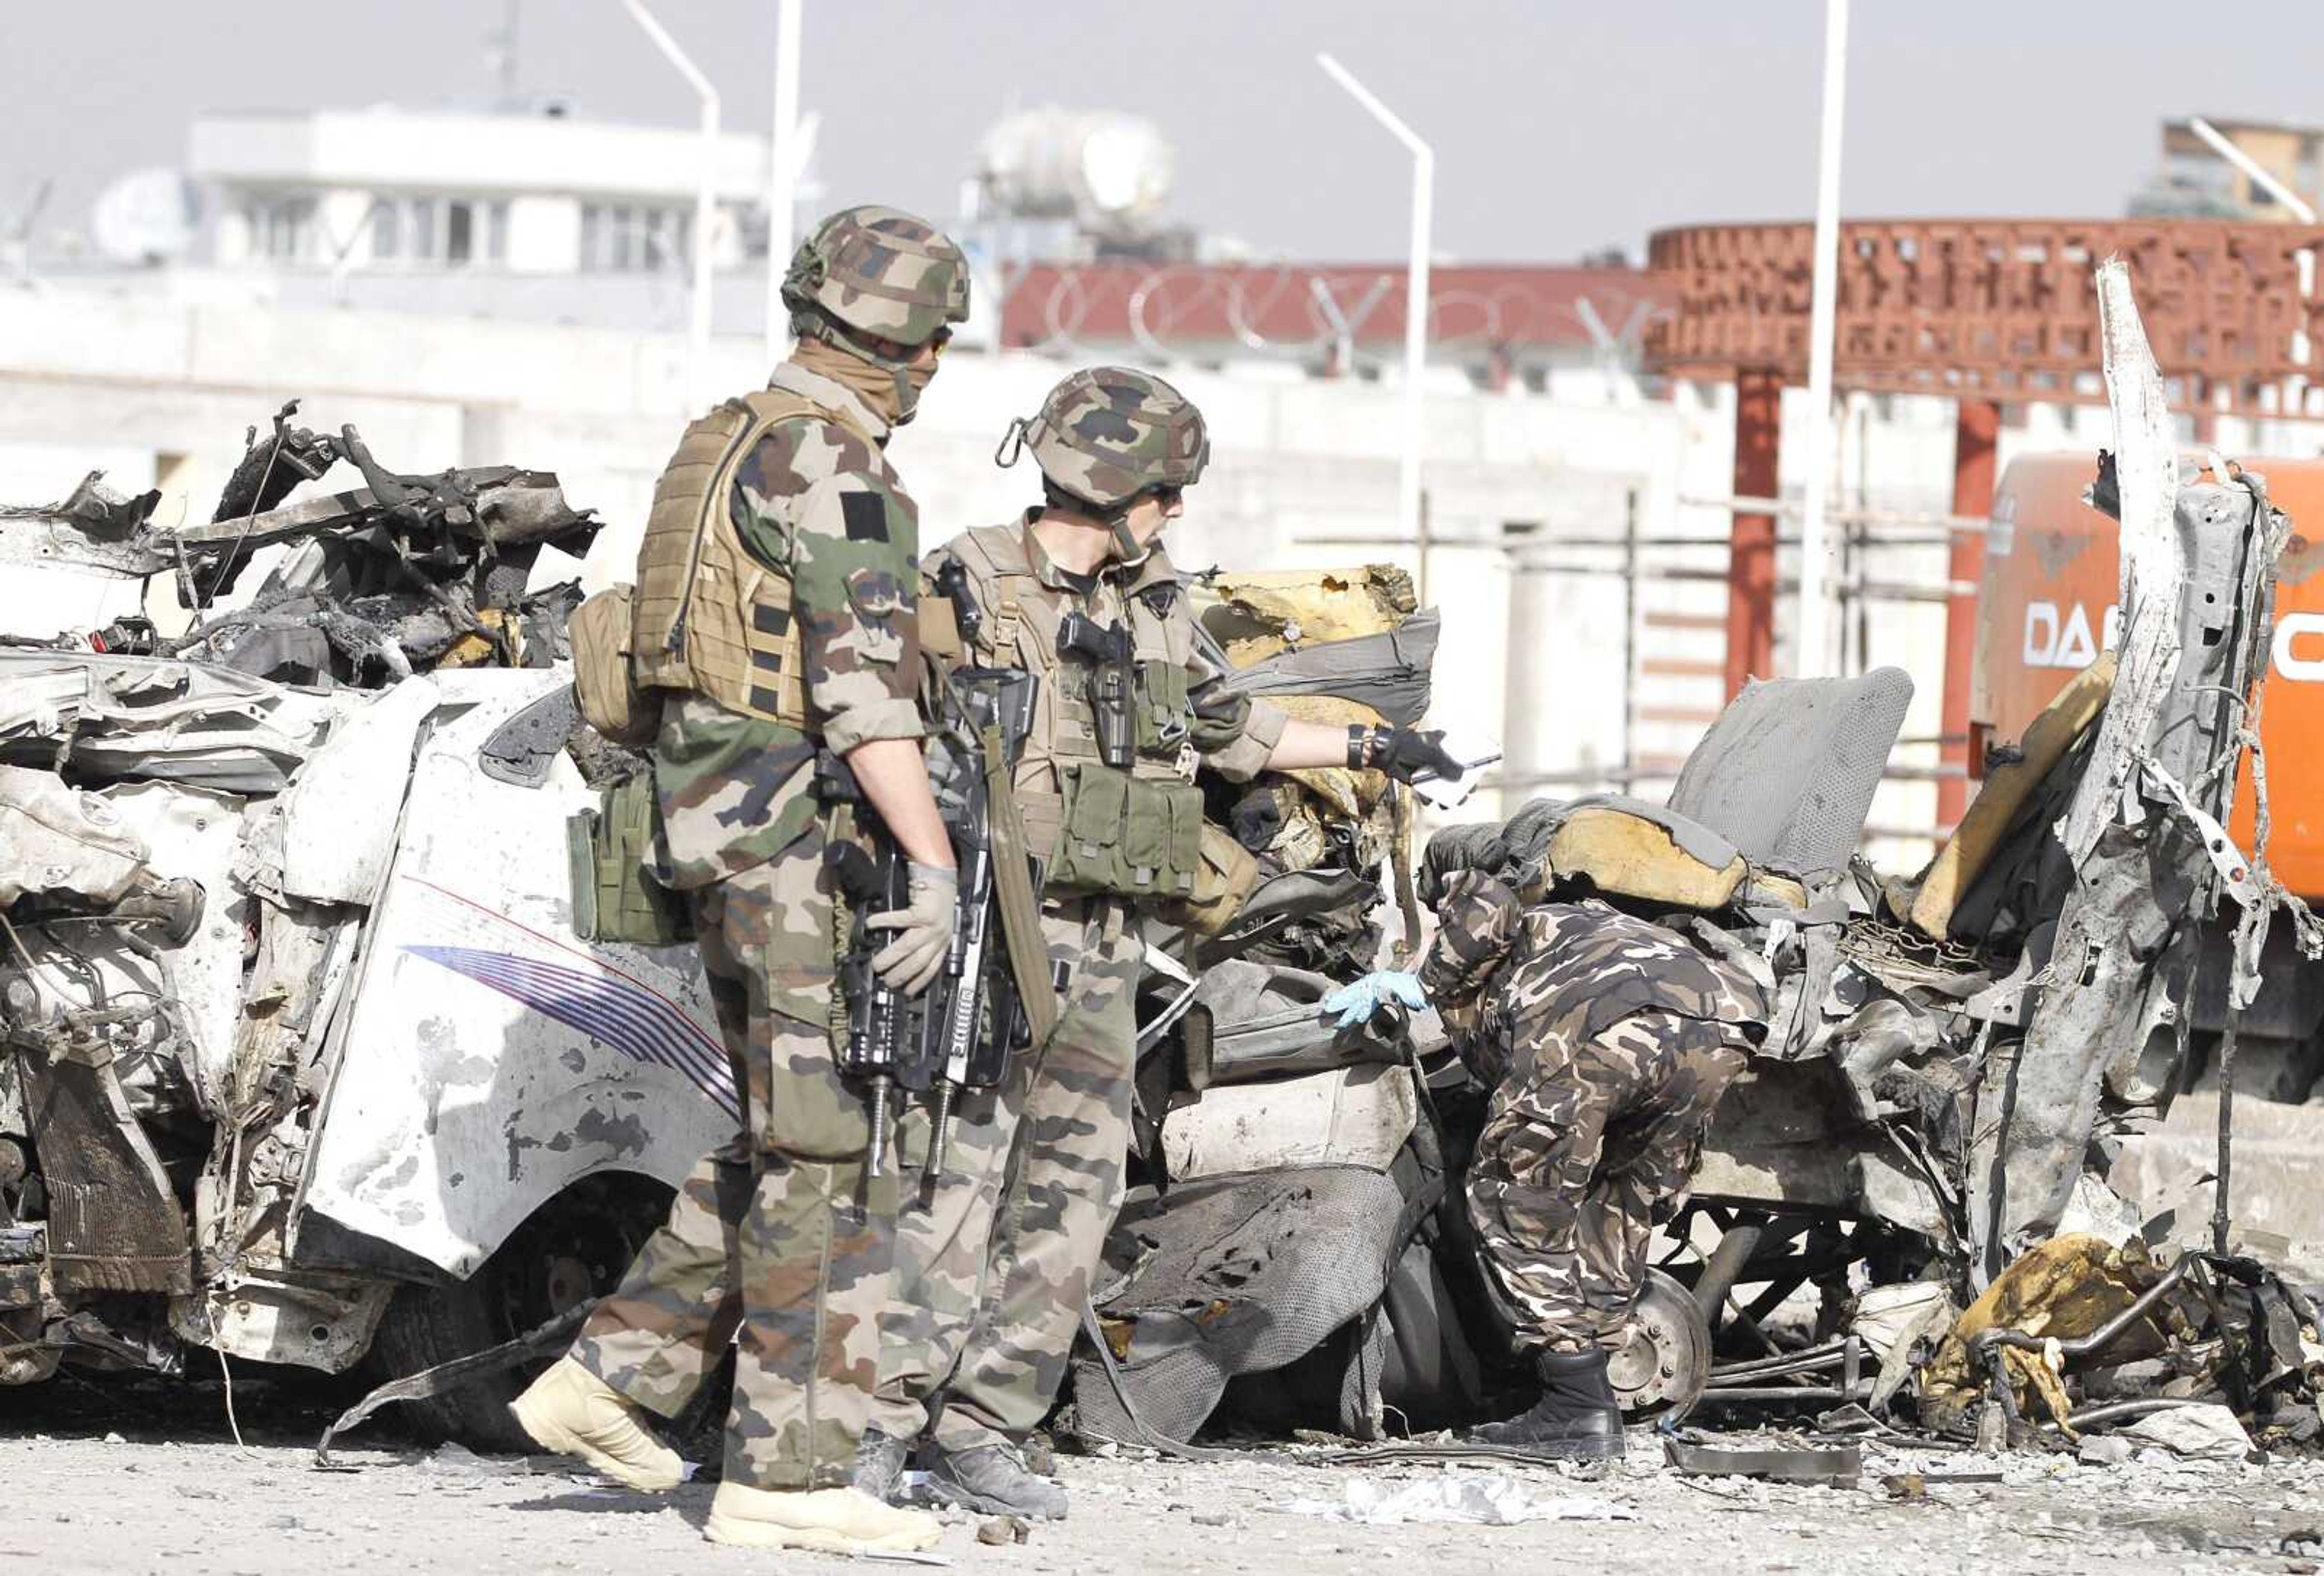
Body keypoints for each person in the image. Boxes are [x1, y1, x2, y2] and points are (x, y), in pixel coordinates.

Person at [859, 365, 1463, 1517]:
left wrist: (1386, 749)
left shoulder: (1155, 606)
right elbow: (866, 730)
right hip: (985, 937)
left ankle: (987, 1424)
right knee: (947, 1189)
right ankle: (878, 1429)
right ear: (1120, 486)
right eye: (1167, 490)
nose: (1177, 511)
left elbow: (1239, 729)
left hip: (1103, 951)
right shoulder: (959, 585)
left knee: (1073, 1197)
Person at [508, 204, 970, 1555]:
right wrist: (933, 871)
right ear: (923, 350)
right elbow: (870, 706)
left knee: (785, 1131)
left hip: (705, 828)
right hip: (791, 848)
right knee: (829, 1156)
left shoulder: (723, 442)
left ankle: (611, 1382)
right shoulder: (842, 472)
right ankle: (788, 1475)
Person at [1329, 864, 1765, 1459]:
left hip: (1599, 1029)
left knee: (1515, 1200)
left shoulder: (1489, 905)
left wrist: (1417, 982)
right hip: (1723, 1025)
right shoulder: (1585, 923)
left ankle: (1576, 1402)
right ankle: (1600, 1383)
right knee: (1617, 1200)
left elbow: (1488, 903)